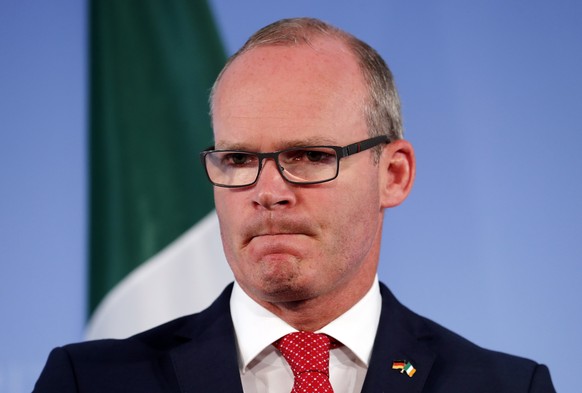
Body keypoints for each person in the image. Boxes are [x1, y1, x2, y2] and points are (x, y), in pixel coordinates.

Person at [34, 17, 555, 392]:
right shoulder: (90, 381)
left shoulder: (507, 385)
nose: (268, 190)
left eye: (308, 155)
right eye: (238, 159)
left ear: (392, 175)